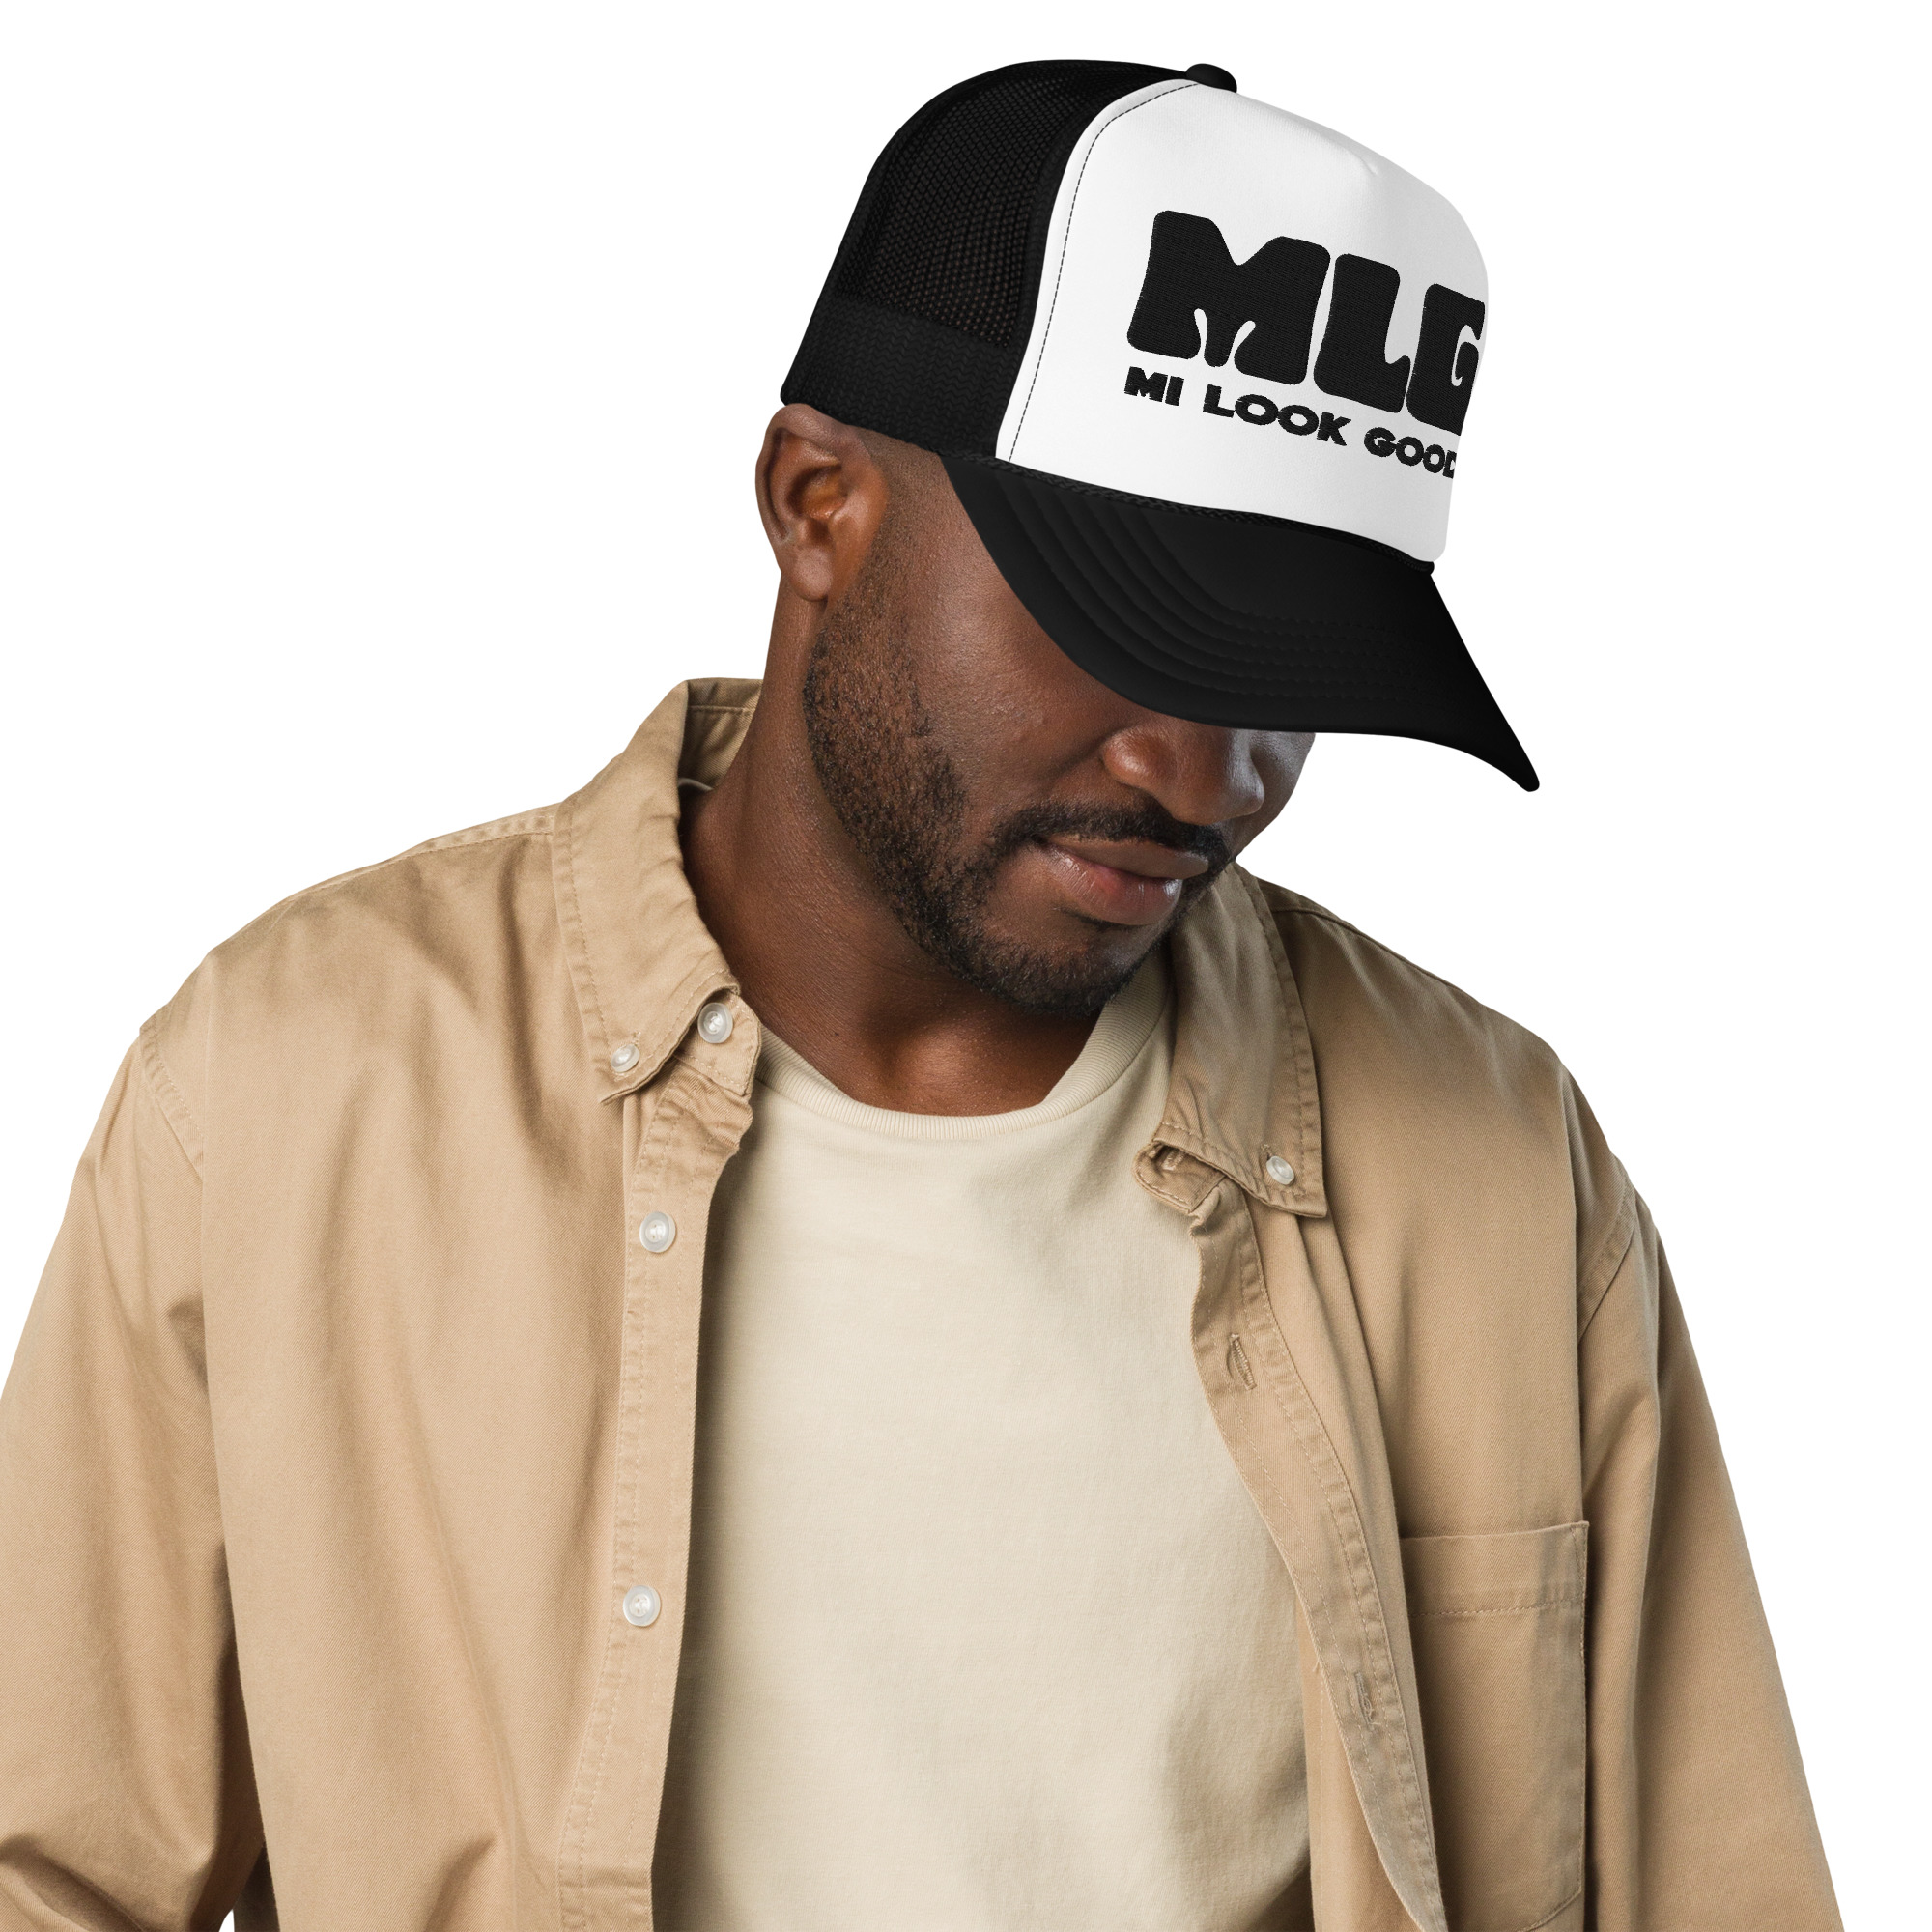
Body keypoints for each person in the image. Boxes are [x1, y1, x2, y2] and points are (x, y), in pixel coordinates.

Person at [0, 57, 1838, 1932]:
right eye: (1126, 627)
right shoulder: (290, 1094)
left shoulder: (1494, 1172)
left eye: (1293, 680)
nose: (1203, 777)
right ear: (818, 505)